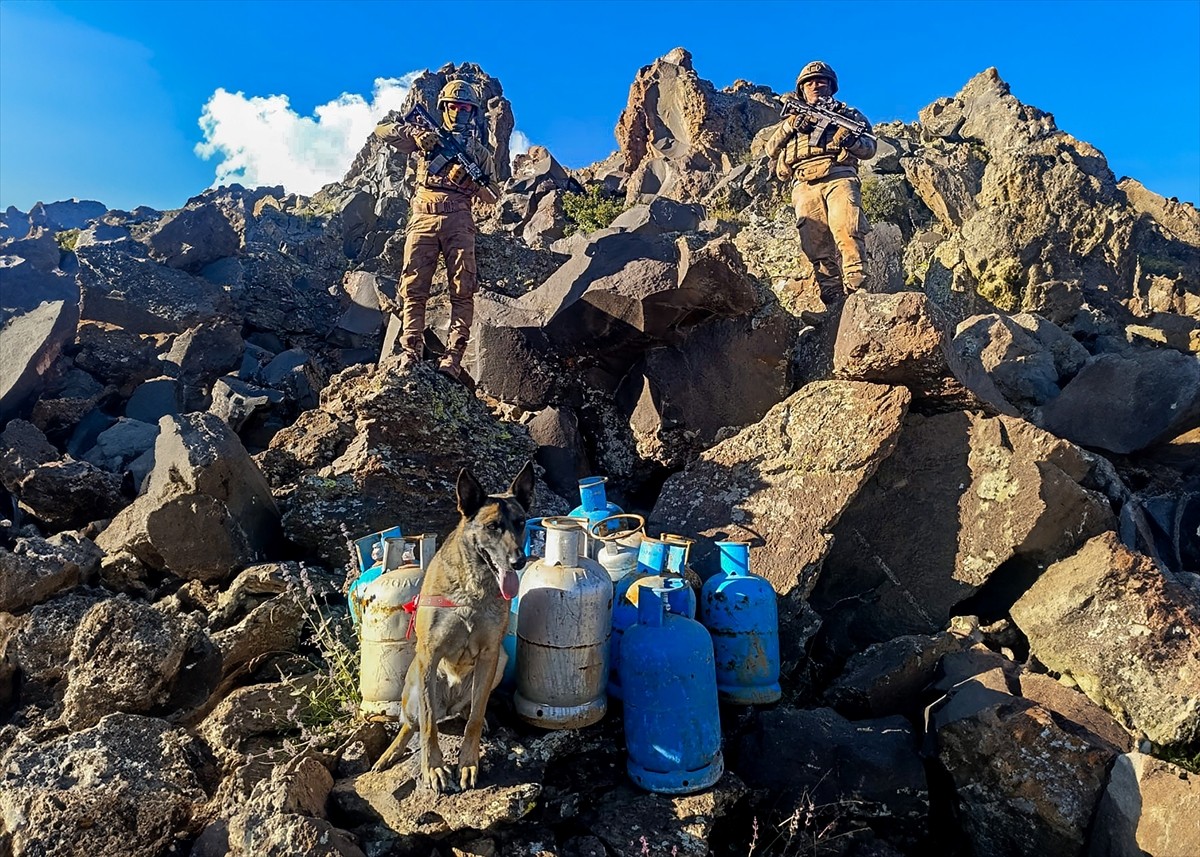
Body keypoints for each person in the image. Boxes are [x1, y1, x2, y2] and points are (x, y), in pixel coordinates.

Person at [374, 78, 496, 379]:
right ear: (444, 108)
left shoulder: (479, 154)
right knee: (414, 288)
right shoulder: (428, 136)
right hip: (423, 217)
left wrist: (470, 182)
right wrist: (417, 136)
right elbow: (382, 130)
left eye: (466, 107)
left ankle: (453, 358)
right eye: (455, 106)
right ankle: (410, 351)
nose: (461, 112)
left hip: (459, 219)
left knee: (462, 289)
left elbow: (493, 195)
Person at [766, 61, 876, 304]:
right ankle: (833, 300)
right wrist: (790, 125)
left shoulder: (848, 115)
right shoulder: (793, 117)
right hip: (804, 184)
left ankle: (857, 291)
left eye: (821, 81)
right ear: (801, 89)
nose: (816, 85)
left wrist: (849, 141)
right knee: (814, 245)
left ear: (831, 86)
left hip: (839, 176)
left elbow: (870, 149)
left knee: (848, 229)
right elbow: (770, 148)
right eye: (810, 82)